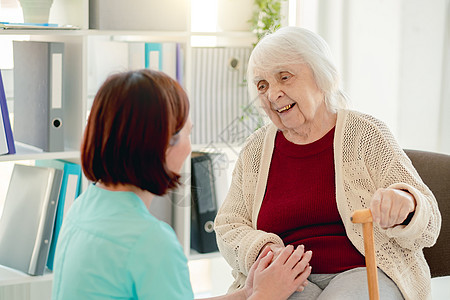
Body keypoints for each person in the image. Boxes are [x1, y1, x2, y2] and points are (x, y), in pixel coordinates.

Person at [214, 26, 441, 300]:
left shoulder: (367, 134)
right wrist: (263, 249)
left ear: (322, 76)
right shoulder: (255, 149)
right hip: (289, 279)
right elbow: (228, 225)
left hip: (364, 270)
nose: (273, 94)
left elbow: (429, 225)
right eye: (262, 85)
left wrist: (407, 205)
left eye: (284, 78)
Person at [51, 69, 313, 300]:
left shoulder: (83, 207)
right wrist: (267, 297)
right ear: (162, 144)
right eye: (189, 133)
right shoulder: (150, 242)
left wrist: (246, 294)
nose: (190, 147)